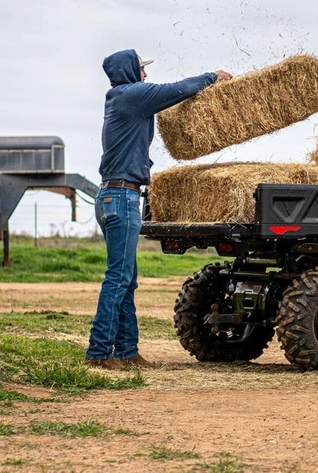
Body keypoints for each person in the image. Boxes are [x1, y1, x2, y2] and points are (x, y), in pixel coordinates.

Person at [86, 49, 233, 369]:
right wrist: (213, 77)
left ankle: (126, 352)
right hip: (121, 198)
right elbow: (178, 90)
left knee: (126, 280)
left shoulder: (122, 99)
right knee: (117, 279)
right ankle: (98, 353)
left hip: (114, 196)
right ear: (128, 71)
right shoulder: (131, 96)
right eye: (141, 68)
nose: (146, 74)